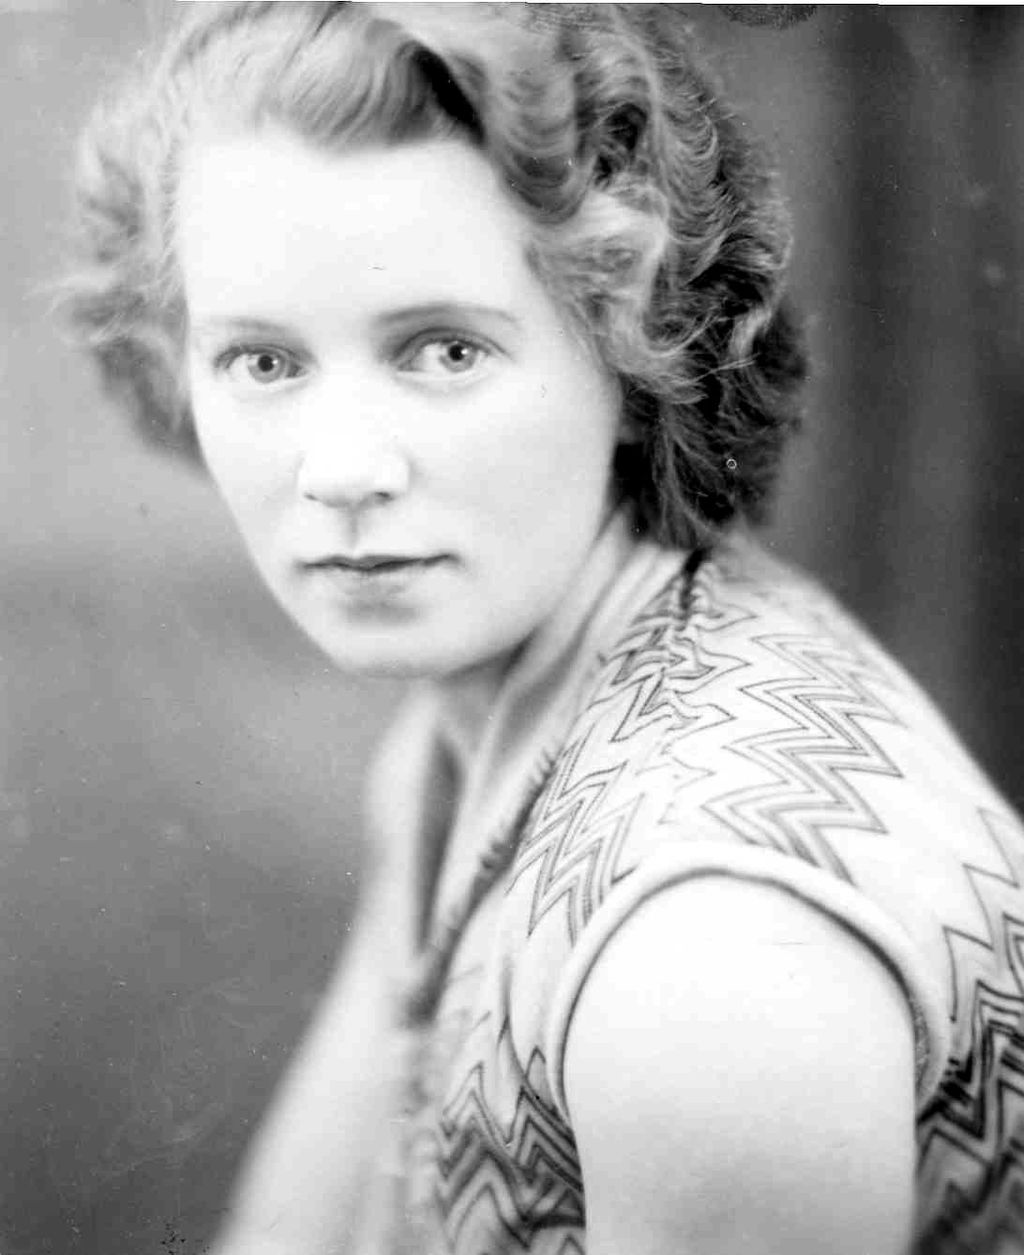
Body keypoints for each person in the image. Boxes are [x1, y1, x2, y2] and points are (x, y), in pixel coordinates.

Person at [64, 4, 1024, 1253]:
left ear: (635, 349)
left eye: (444, 350)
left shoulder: (710, 955)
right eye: (262, 362)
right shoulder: (464, 734)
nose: (339, 470)